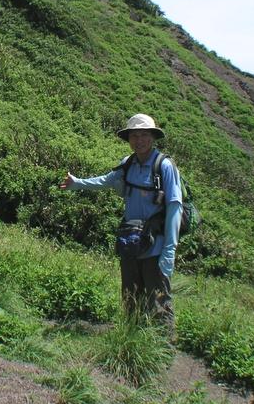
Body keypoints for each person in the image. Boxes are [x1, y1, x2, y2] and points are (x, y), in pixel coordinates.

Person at [59, 113, 182, 335]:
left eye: (144, 134)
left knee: (159, 300)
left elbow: (175, 207)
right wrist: (77, 184)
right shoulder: (128, 163)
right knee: (130, 295)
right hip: (130, 242)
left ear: (152, 137)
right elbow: (107, 180)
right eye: (134, 135)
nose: (139, 140)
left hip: (156, 246)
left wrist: (170, 250)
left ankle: (163, 348)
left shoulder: (164, 166)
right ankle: (129, 338)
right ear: (128, 138)